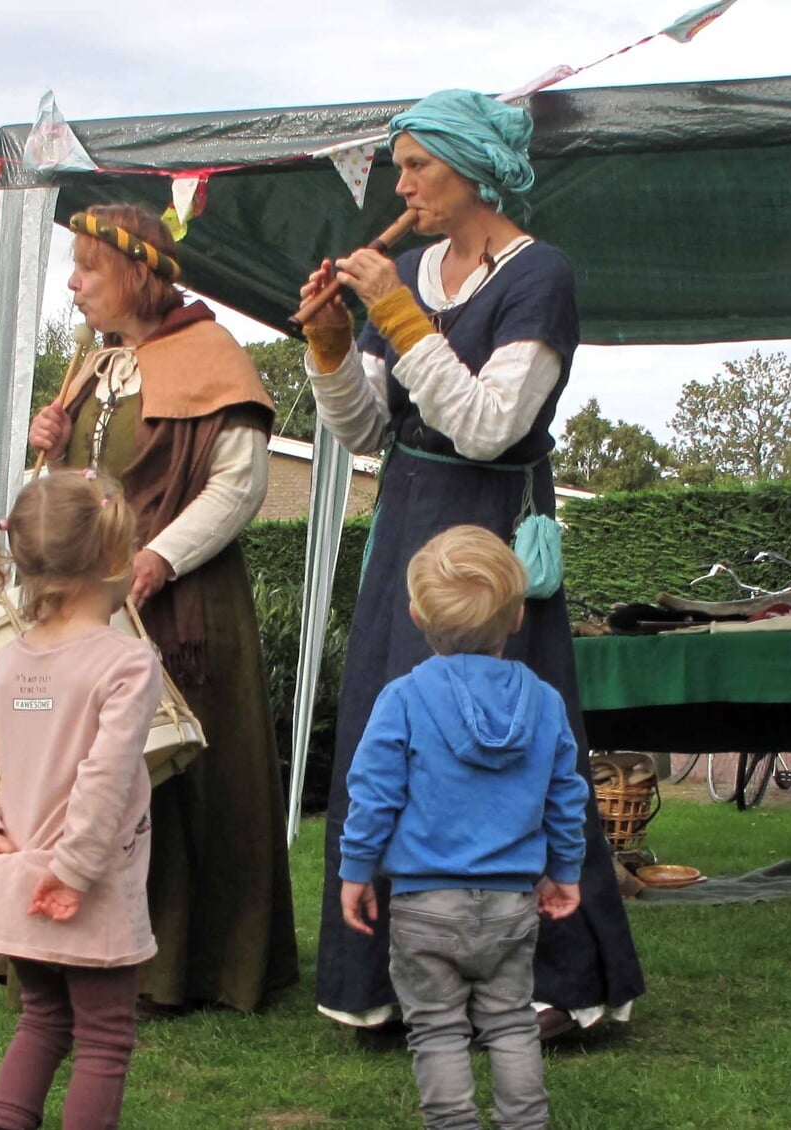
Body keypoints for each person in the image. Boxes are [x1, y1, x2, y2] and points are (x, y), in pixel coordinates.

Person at [299, 88, 644, 1037]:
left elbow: (493, 427)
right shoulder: (406, 271)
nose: (400, 183)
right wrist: (332, 344)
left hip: (491, 531)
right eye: (400, 165)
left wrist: (400, 317)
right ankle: (390, 982)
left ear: (475, 169)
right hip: (409, 523)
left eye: (419, 165)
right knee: (393, 737)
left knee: (516, 748)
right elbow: (370, 428)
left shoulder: (542, 276)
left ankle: (552, 985)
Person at [25, 203, 297, 1015]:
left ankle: (185, 966)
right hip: (86, 610)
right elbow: (63, 496)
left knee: (179, 781)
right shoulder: (94, 369)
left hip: (185, 607)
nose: (73, 285)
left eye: (87, 268)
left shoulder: (212, 356)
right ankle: (71, 948)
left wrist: (159, 558)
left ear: (137, 273)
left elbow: (239, 485)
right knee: (84, 777)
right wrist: (46, 445)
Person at [339, 525, 587, 1129]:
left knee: (438, 1030)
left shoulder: (401, 698)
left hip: (426, 905)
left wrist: (355, 870)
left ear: (416, 616)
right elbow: (566, 797)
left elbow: (373, 796)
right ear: (518, 616)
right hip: (509, 906)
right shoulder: (546, 701)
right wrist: (566, 871)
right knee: (509, 1023)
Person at [0, 470, 160, 1130]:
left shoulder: (8, 665)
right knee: (105, 1041)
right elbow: (104, 779)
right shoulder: (128, 663)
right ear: (116, 555)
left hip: (19, 887)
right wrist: (73, 873)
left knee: (43, 1021)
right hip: (85, 890)